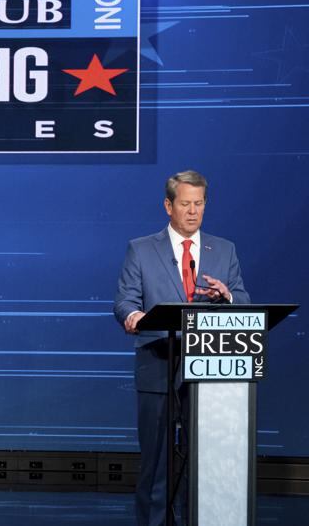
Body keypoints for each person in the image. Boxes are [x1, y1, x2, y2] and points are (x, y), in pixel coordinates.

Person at [114, 170, 249, 526]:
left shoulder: (224, 249)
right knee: (156, 462)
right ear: (168, 206)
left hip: (209, 373)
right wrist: (134, 315)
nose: (193, 211)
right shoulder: (141, 249)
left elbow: (244, 301)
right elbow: (125, 301)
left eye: (199, 204)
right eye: (186, 204)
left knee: (204, 461)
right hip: (158, 365)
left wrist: (227, 297)